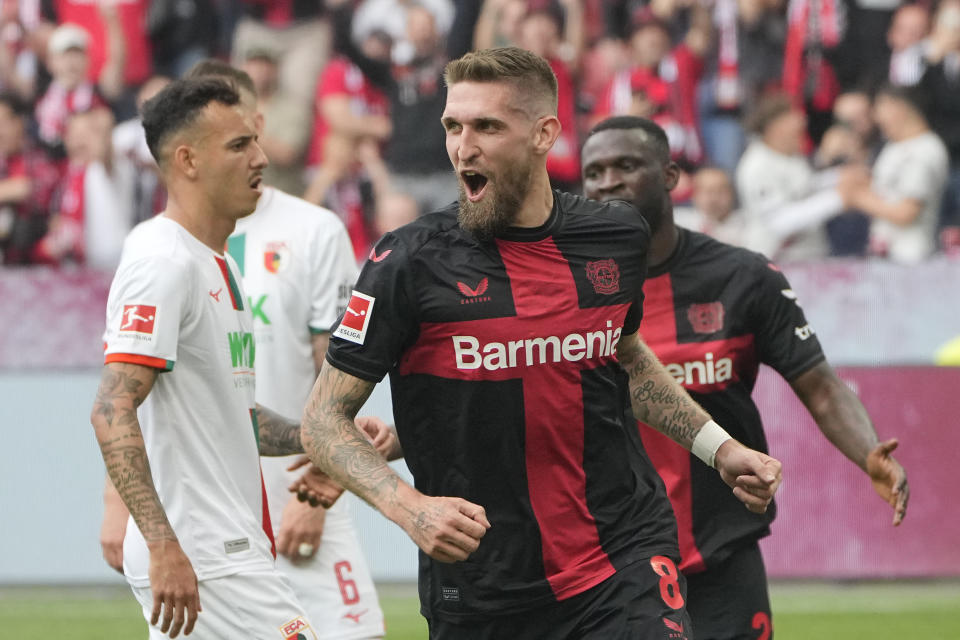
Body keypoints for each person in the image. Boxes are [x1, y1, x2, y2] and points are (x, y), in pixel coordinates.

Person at [294, 46, 783, 639]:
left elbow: (623, 360)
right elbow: (323, 420)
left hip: (620, 552)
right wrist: (409, 508)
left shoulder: (614, 236)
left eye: (487, 126)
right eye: (454, 125)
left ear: (544, 133)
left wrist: (719, 447)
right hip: (481, 583)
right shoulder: (407, 263)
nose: (462, 147)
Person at [581, 115, 910, 639]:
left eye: (626, 165)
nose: (608, 181)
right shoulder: (568, 291)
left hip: (722, 548)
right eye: (594, 171)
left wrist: (867, 451)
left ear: (670, 176)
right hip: (614, 556)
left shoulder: (742, 277)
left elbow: (821, 387)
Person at [91, 76, 318, 639]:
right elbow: (112, 408)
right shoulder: (163, 263)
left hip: (223, 547)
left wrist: (316, 436)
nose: (260, 157)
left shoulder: (219, 264)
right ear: (187, 160)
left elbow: (234, 415)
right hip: (206, 553)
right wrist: (164, 544)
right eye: (239, 145)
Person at [843, 84, 949, 263]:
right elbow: (883, 191)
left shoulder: (926, 149)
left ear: (899, 107)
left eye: (880, 107)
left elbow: (906, 212)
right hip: (882, 252)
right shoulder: (892, 145)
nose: (876, 117)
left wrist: (856, 197)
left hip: (911, 258)